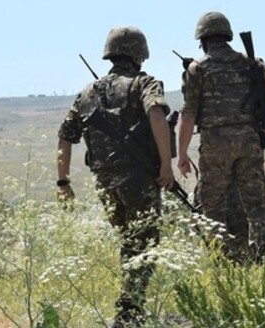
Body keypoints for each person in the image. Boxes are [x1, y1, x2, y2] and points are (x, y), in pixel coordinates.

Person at [56, 26, 173, 327]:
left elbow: (65, 136)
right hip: (138, 180)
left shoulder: (87, 92)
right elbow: (157, 115)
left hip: (105, 184)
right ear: (139, 55)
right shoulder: (144, 83)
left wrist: (63, 182)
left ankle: (130, 310)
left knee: (130, 243)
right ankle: (129, 315)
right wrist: (166, 165)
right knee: (144, 245)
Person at [177, 11, 265, 264]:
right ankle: (261, 257)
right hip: (249, 140)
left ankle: (221, 259)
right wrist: (252, 103)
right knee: (256, 205)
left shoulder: (197, 69)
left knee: (213, 207)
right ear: (227, 36)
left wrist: (181, 154)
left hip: (215, 144)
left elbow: (189, 113)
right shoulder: (251, 64)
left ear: (202, 40)